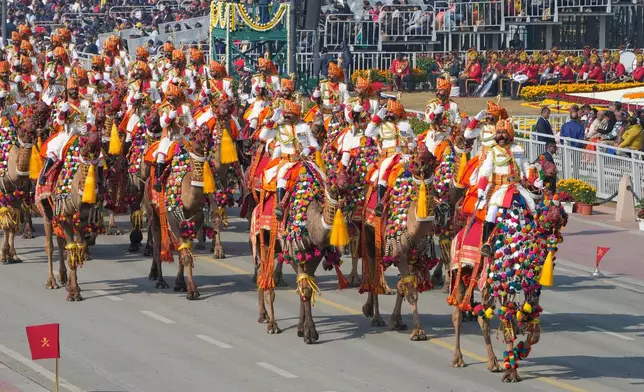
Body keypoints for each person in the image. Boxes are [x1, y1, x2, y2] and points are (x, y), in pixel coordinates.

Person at [477, 119, 541, 257]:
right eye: (498, 133)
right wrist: (481, 189)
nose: (500, 136)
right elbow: (485, 172)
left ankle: (537, 237)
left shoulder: (518, 149)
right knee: (492, 211)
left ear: (510, 134)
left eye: (503, 133)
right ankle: (487, 244)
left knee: (532, 205)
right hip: (499, 188)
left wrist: (534, 179)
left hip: (517, 186)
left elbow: (525, 166)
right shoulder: (492, 151)